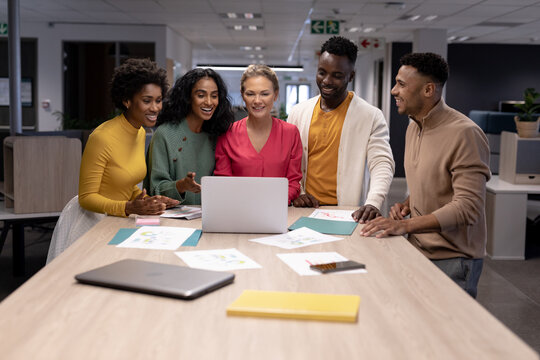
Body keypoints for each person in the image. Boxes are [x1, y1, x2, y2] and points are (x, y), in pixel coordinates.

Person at [360, 52, 491, 298]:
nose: (393, 91)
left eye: (401, 84)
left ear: (428, 90)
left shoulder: (465, 134)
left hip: (452, 259)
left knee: (446, 333)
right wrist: (407, 205)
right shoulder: (413, 127)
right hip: (417, 248)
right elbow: (434, 182)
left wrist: (404, 225)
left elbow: (468, 207)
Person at [287, 36, 394, 223]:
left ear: (351, 76)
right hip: (303, 208)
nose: (327, 81)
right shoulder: (298, 112)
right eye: (322, 72)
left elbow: (382, 163)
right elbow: (288, 161)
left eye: (337, 75)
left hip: (346, 211)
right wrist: (297, 192)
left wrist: (374, 202)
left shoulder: (370, 116)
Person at [79, 58, 178, 217]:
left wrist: (148, 201)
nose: (155, 108)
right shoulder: (102, 137)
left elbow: (125, 184)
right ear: (126, 100)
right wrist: (129, 207)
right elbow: (86, 198)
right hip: (94, 220)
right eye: (147, 101)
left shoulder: (140, 132)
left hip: (119, 217)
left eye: (158, 101)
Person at [214, 64, 302, 204]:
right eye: (250, 94)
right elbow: (224, 181)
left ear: (275, 95)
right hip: (239, 211)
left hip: (278, 211)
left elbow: (293, 181)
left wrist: (274, 202)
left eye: (265, 94)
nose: (257, 101)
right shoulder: (228, 134)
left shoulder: (290, 133)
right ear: (243, 95)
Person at [144, 68, 234, 204]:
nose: (209, 102)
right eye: (201, 95)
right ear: (188, 97)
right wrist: (181, 186)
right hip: (171, 220)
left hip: (208, 217)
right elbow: (155, 189)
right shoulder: (165, 134)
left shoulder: (217, 135)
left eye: (214, 96)